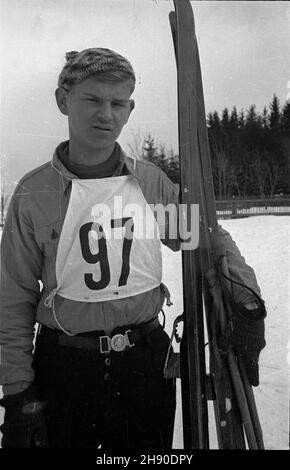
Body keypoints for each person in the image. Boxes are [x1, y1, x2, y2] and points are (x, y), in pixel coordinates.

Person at [0, 48, 266, 449]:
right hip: (65, 366)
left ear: (130, 108)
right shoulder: (34, 193)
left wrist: (245, 296)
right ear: (63, 100)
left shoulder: (150, 183)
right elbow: (13, 298)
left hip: (144, 363)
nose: (106, 114)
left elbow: (206, 239)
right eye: (92, 99)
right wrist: (18, 394)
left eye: (118, 103)